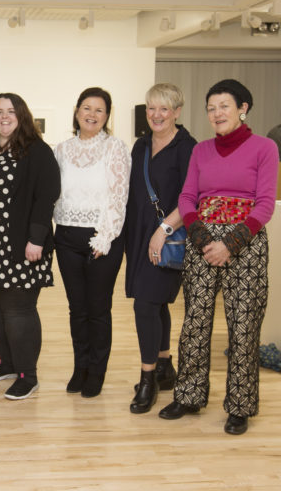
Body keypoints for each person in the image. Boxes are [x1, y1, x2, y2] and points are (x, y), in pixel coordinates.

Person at [159, 79, 279, 435]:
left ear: (243, 108)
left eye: (224, 106)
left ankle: (240, 406)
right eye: (211, 108)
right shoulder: (202, 150)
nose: (216, 113)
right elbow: (186, 198)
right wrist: (203, 238)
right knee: (195, 322)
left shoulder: (265, 148)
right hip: (202, 241)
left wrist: (230, 244)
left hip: (246, 242)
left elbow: (266, 203)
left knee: (243, 327)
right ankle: (189, 395)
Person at [0, 93, 60, 400]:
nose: (3, 117)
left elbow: (46, 196)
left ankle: (27, 375)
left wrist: (36, 237)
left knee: (19, 311)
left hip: (20, 246)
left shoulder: (37, 151)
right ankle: (7, 363)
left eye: (10, 111)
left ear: (22, 115)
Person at [53, 87, 131, 398]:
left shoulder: (116, 148)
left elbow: (118, 195)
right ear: (76, 111)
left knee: (98, 308)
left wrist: (105, 236)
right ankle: (80, 368)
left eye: (99, 110)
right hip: (67, 236)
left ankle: (96, 372)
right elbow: (53, 193)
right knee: (77, 309)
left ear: (107, 116)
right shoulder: (61, 149)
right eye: (87, 108)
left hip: (103, 237)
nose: (92, 114)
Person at [124, 83, 196, 413]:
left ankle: (148, 379)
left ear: (177, 112)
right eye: (151, 108)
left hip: (170, 238)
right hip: (139, 237)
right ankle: (166, 366)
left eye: (164, 109)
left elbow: (191, 198)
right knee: (156, 304)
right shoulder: (141, 145)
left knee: (145, 304)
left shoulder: (187, 148)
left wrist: (163, 230)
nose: (156, 115)